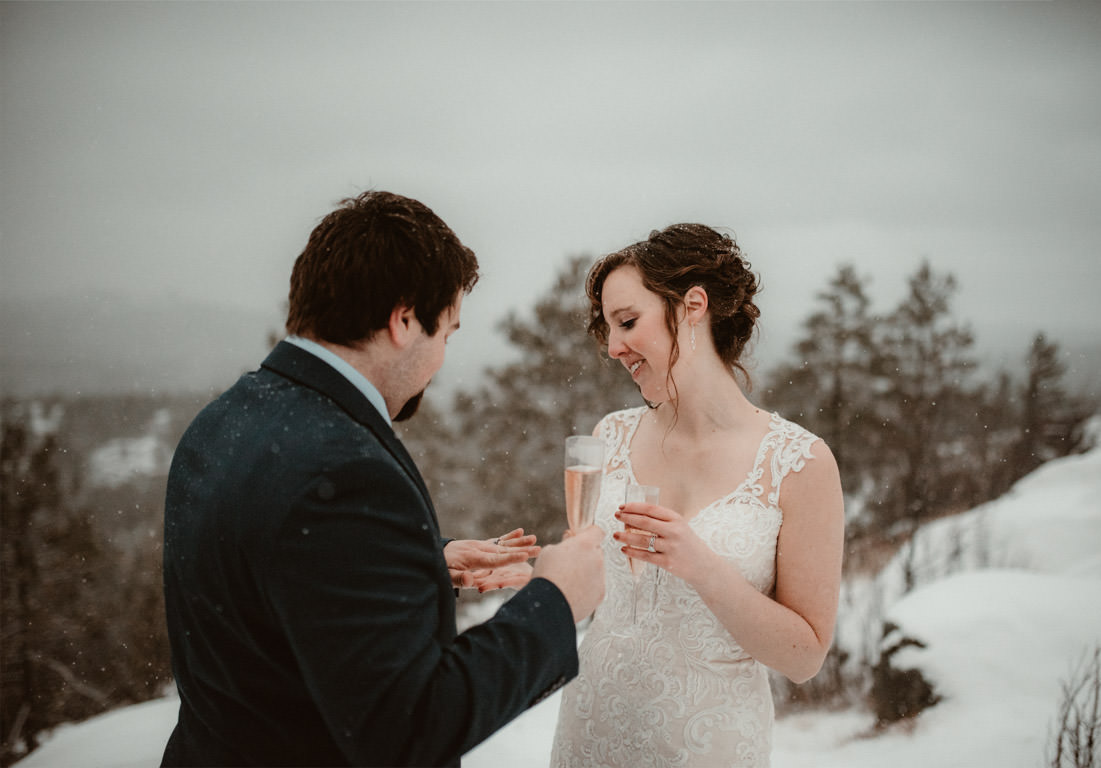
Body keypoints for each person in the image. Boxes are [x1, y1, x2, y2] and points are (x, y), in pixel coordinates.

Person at [161, 190, 610, 766]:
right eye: (446, 332)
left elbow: (275, 577)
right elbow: (412, 725)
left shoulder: (226, 418)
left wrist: (422, 564)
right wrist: (555, 600)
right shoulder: (346, 472)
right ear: (403, 320)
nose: (443, 356)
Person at [550, 224, 844, 767]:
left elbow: (804, 656)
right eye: (609, 330)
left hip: (709, 747)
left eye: (628, 322)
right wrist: (530, 573)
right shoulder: (609, 436)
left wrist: (702, 567)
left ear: (693, 306)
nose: (613, 347)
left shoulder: (799, 463)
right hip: (591, 731)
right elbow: (594, 586)